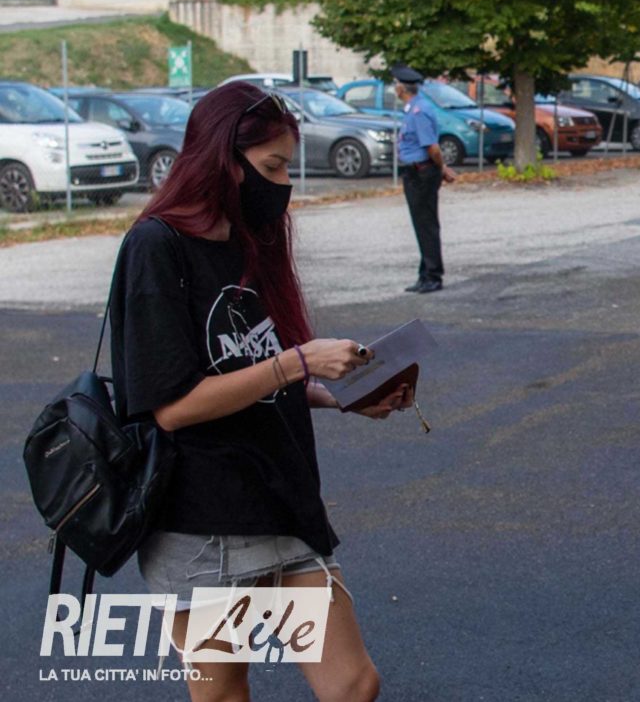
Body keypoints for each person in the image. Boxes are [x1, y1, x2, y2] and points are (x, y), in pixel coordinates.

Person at [111, 81, 414, 701]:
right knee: (225, 692)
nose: (283, 184)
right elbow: (173, 408)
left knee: (352, 684)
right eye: (272, 167)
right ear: (222, 160)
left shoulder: (253, 241)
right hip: (202, 519)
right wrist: (297, 362)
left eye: (287, 168)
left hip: (282, 499)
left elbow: (252, 371)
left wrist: (339, 394)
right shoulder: (156, 246)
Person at [393, 64, 456, 294]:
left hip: (421, 173)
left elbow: (432, 148)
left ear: (402, 88)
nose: (394, 88)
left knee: (426, 225)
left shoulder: (419, 111)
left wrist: (441, 168)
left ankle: (433, 275)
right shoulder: (413, 108)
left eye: (395, 84)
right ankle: (425, 274)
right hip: (416, 171)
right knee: (421, 225)